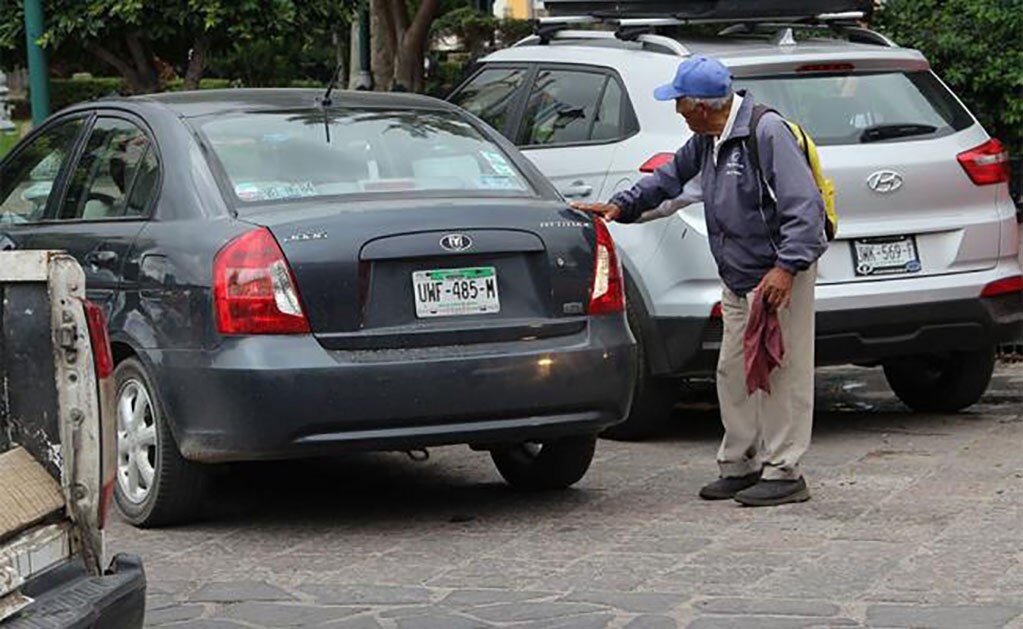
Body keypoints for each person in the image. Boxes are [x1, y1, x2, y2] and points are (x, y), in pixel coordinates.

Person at [574, 56, 827, 507]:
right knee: (734, 371)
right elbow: (669, 182)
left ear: (703, 106)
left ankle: (785, 470)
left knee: (782, 375)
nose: (677, 112)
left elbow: (803, 208)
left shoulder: (766, 134)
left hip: (776, 276)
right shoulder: (706, 139)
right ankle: (740, 463)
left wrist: (786, 269)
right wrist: (620, 207)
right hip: (738, 276)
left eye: (680, 103)